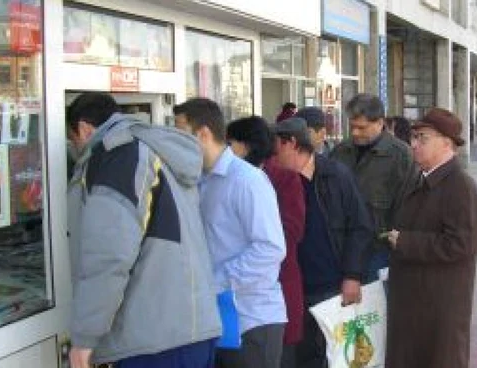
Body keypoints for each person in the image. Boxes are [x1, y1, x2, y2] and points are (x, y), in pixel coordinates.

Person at [66, 92, 221, 368]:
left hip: (152, 341)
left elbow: (108, 255)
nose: (74, 149)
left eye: (72, 140)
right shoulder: (156, 153)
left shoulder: (118, 157)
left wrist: (84, 338)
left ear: (84, 128)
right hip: (191, 330)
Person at [174, 98, 287, 368]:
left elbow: (270, 249)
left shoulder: (247, 180)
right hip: (217, 321)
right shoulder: (199, 180)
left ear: (203, 134)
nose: (175, 144)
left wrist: (214, 282)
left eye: (180, 134)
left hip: (252, 321)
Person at [383, 107, 477, 368]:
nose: (414, 145)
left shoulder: (460, 186)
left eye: (423, 138)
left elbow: (460, 245)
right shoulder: (421, 178)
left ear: (447, 143)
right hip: (414, 301)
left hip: (439, 306)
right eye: (414, 138)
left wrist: (405, 242)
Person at [271, 117, 373, 368]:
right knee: (302, 356)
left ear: (291, 144)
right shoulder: (275, 181)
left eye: (276, 146)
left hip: (332, 283)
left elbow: (360, 227)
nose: (272, 154)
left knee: (335, 354)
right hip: (293, 287)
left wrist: (352, 275)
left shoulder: (335, 175)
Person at [225, 116, 306, 368]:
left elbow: (292, 230)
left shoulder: (282, 177)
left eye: (230, 143)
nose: (225, 150)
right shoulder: (221, 178)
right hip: (232, 299)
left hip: (274, 286)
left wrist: (252, 230)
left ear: (246, 146)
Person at [331, 94, 417, 282]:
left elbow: (409, 209)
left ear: (379, 123)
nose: (354, 133)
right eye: (352, 126)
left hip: (380, 252)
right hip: (342, 249)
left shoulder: (401, 156)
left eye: (361, 128)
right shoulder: (339, 152)